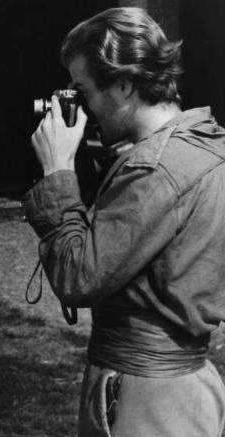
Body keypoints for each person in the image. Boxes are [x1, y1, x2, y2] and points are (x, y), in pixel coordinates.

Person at [23, 7, 225, 437]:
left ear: (125, 83)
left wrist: (58, 171)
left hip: (143, 400)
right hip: (188, 391)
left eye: (83, 92)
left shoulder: (154, 172)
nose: (80, 107)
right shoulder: (206, 146)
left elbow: (79, 277)